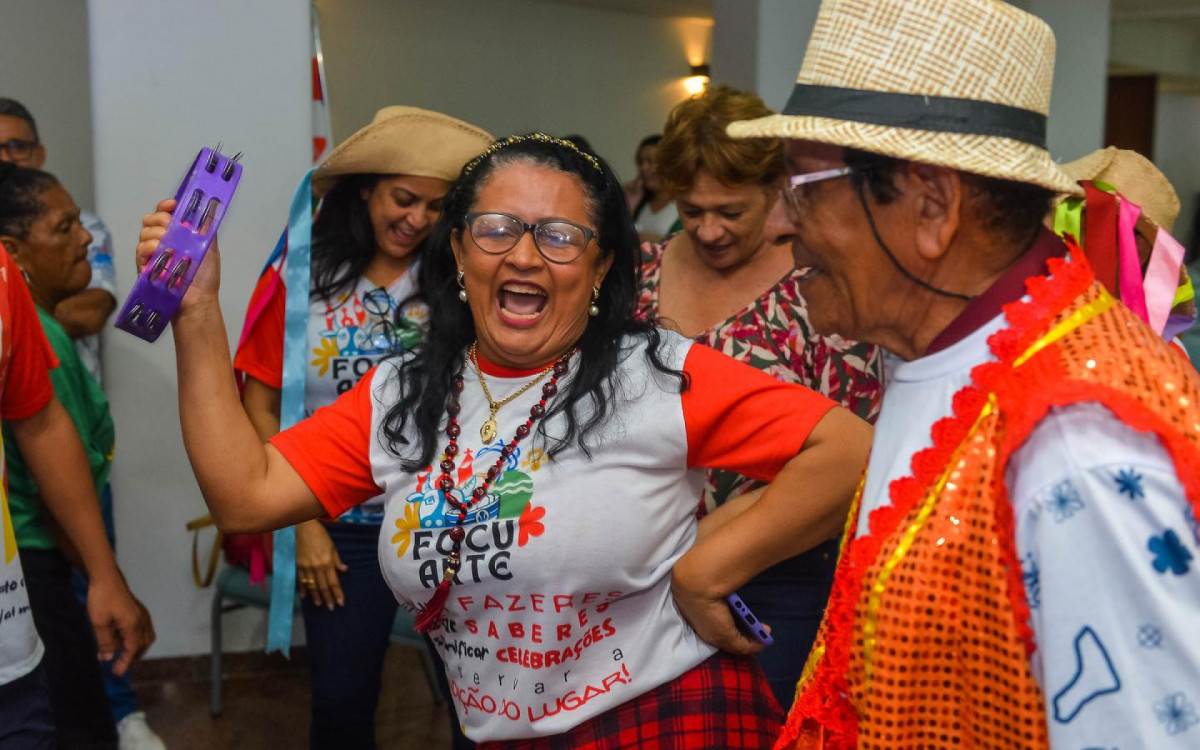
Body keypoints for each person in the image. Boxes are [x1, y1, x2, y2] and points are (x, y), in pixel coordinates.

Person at [138, 133, 872, 748]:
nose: (524, 256)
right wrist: (196, 313)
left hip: (663, 718)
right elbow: (246, 495)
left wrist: (706, 569)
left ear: (600, 266)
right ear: (459, 251)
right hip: (500, 733)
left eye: (559, 236)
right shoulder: (402, 394)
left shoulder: (656, 374)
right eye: (496, 229)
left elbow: (848, 452)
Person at [727, 0, 1200, 747]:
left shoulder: (1079, 447)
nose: (779, 223)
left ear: (932, 205)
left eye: (803, 187)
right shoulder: (945, 354)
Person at [234, 106, 491, 749]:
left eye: (436, 206)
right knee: (342, 705)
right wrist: (302, 524)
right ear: (366, 191)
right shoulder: (303, 277)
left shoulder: (459, 280)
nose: (417, 219)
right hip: (339, 531)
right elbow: (260, 407)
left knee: (481, 710)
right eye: (403, 199)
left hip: (448, 523)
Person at [636, 84, 882, 709]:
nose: (709, 230)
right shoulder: (638, 273)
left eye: (730, 211)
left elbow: (855, 452)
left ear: (776, 190)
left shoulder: (818, 289)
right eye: (691, 210)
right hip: (635, 574)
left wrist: (706, 547)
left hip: (775, 574)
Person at [0, 98, 159, 750]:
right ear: (13, 252)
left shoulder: (32, 322)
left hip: (38, 551)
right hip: (40, 550)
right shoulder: (41, 336)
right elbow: (43, 469)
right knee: (74, 715)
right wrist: (97, 571)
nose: (86, 239)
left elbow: (46, 431)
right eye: (64, 229)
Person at [625, 135, 679, 242]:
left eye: (650, 161)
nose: (644, 168)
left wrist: (657, 241)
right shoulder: (639, 201)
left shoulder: (682, 204)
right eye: (641, 162)